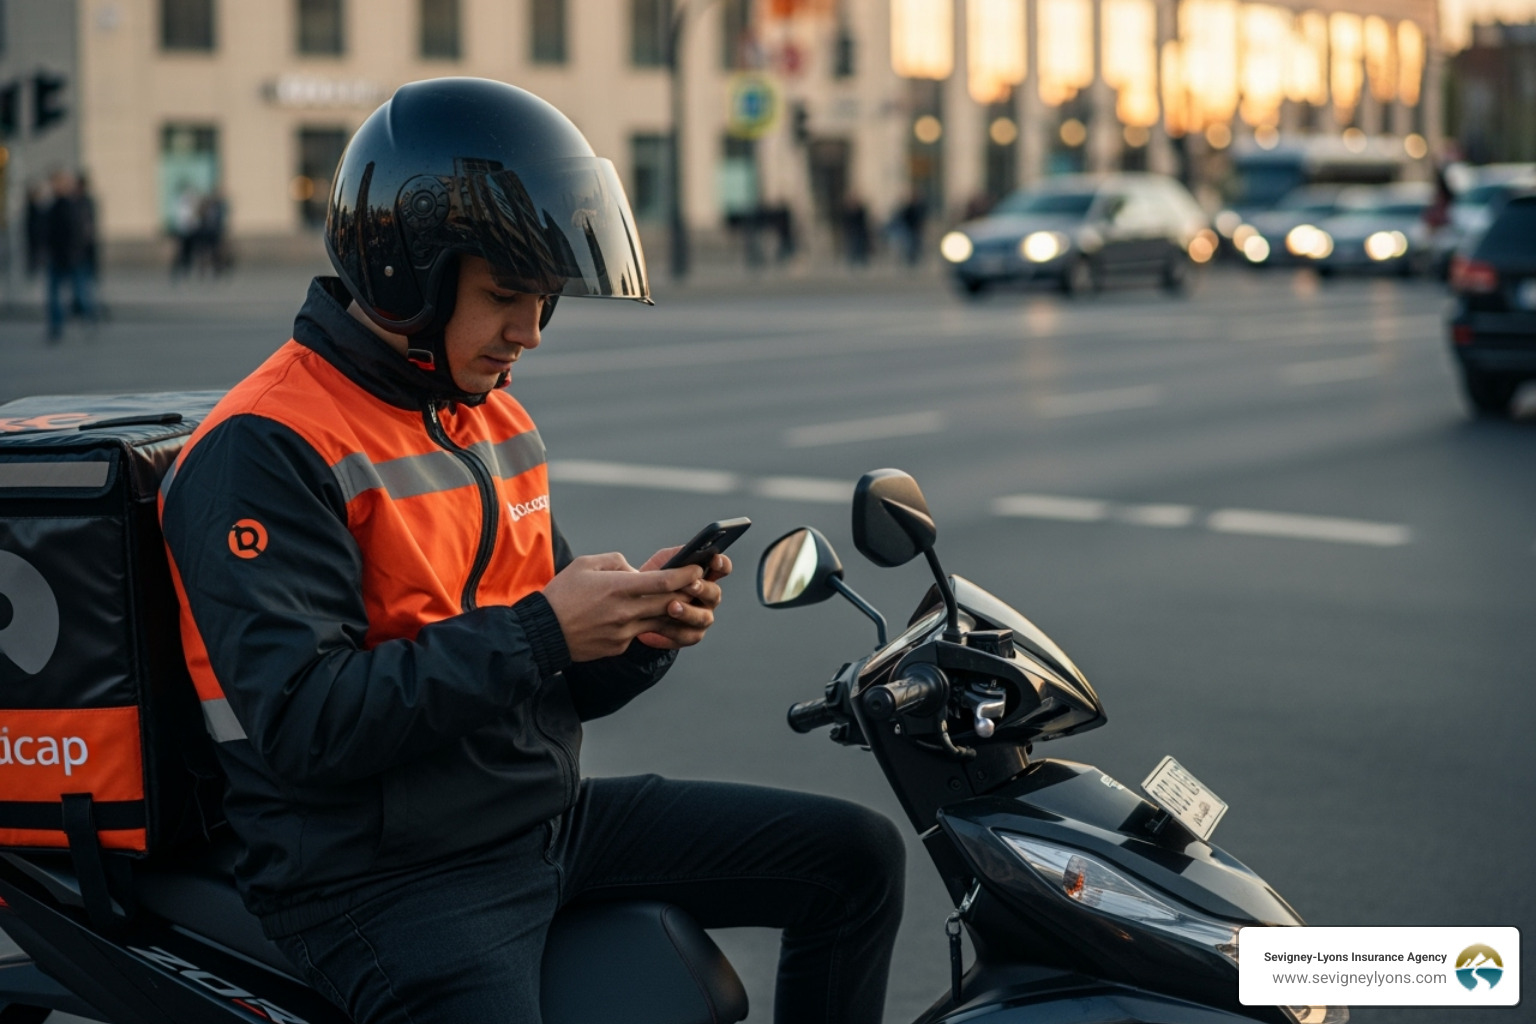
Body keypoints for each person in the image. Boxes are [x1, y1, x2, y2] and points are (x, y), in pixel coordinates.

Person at [158, 78, 904, 1024]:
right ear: (402, 275)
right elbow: (310, 725)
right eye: (507, 296)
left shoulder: (486, 411)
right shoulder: (266, 446)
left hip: (543, 821)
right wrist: (547, 632)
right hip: (381, 877)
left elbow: (555, 673)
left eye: (546, 300)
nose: (532, 334)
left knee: (856, 859)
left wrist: (640, 633)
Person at [43, 168, 97, 342]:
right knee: (56, 294)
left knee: (79, 293)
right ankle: (57, 326)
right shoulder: (54, 206)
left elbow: (80, 233)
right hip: (60, 256)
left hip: (73, 257)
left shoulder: (73, 206)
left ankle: (86, 320)